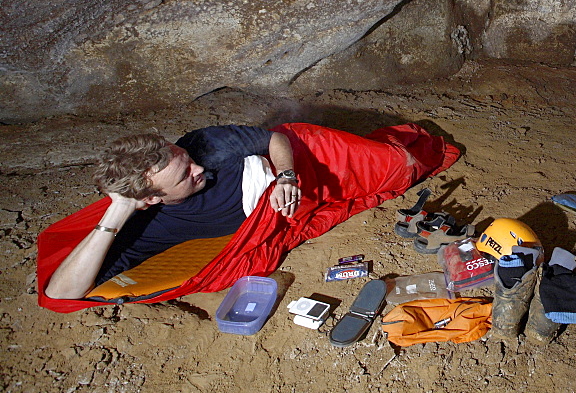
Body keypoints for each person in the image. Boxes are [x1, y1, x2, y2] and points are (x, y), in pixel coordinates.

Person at [43, 123, 454, 301]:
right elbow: (62, 292)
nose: (199, 167)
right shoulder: (147, 224)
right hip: (280, 207)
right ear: (150, 198)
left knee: (405, 165)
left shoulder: (205, 143)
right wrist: (117, 214)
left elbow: (274, 138)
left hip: (297, 159)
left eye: (186, 157)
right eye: (185, 174)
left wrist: (288, 178)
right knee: (389, 176)